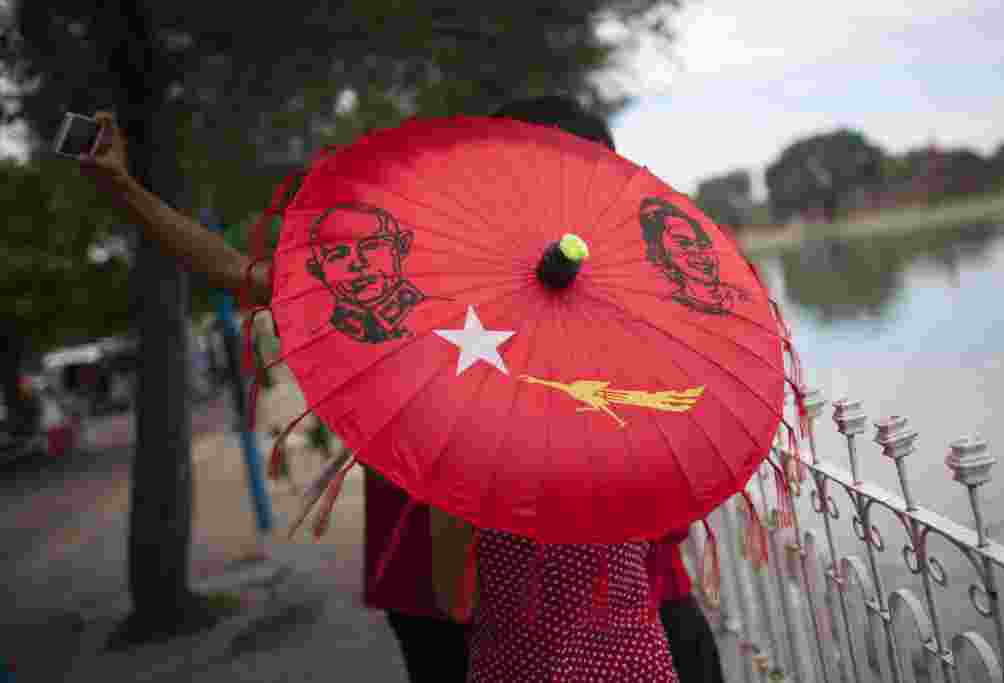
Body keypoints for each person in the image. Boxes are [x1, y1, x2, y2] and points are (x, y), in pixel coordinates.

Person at [75, 96, 723, 681]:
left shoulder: (633, 303)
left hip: (590, 637)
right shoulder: (445, 292)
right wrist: (126, 191)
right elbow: (248, 275)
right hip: (568, 642)